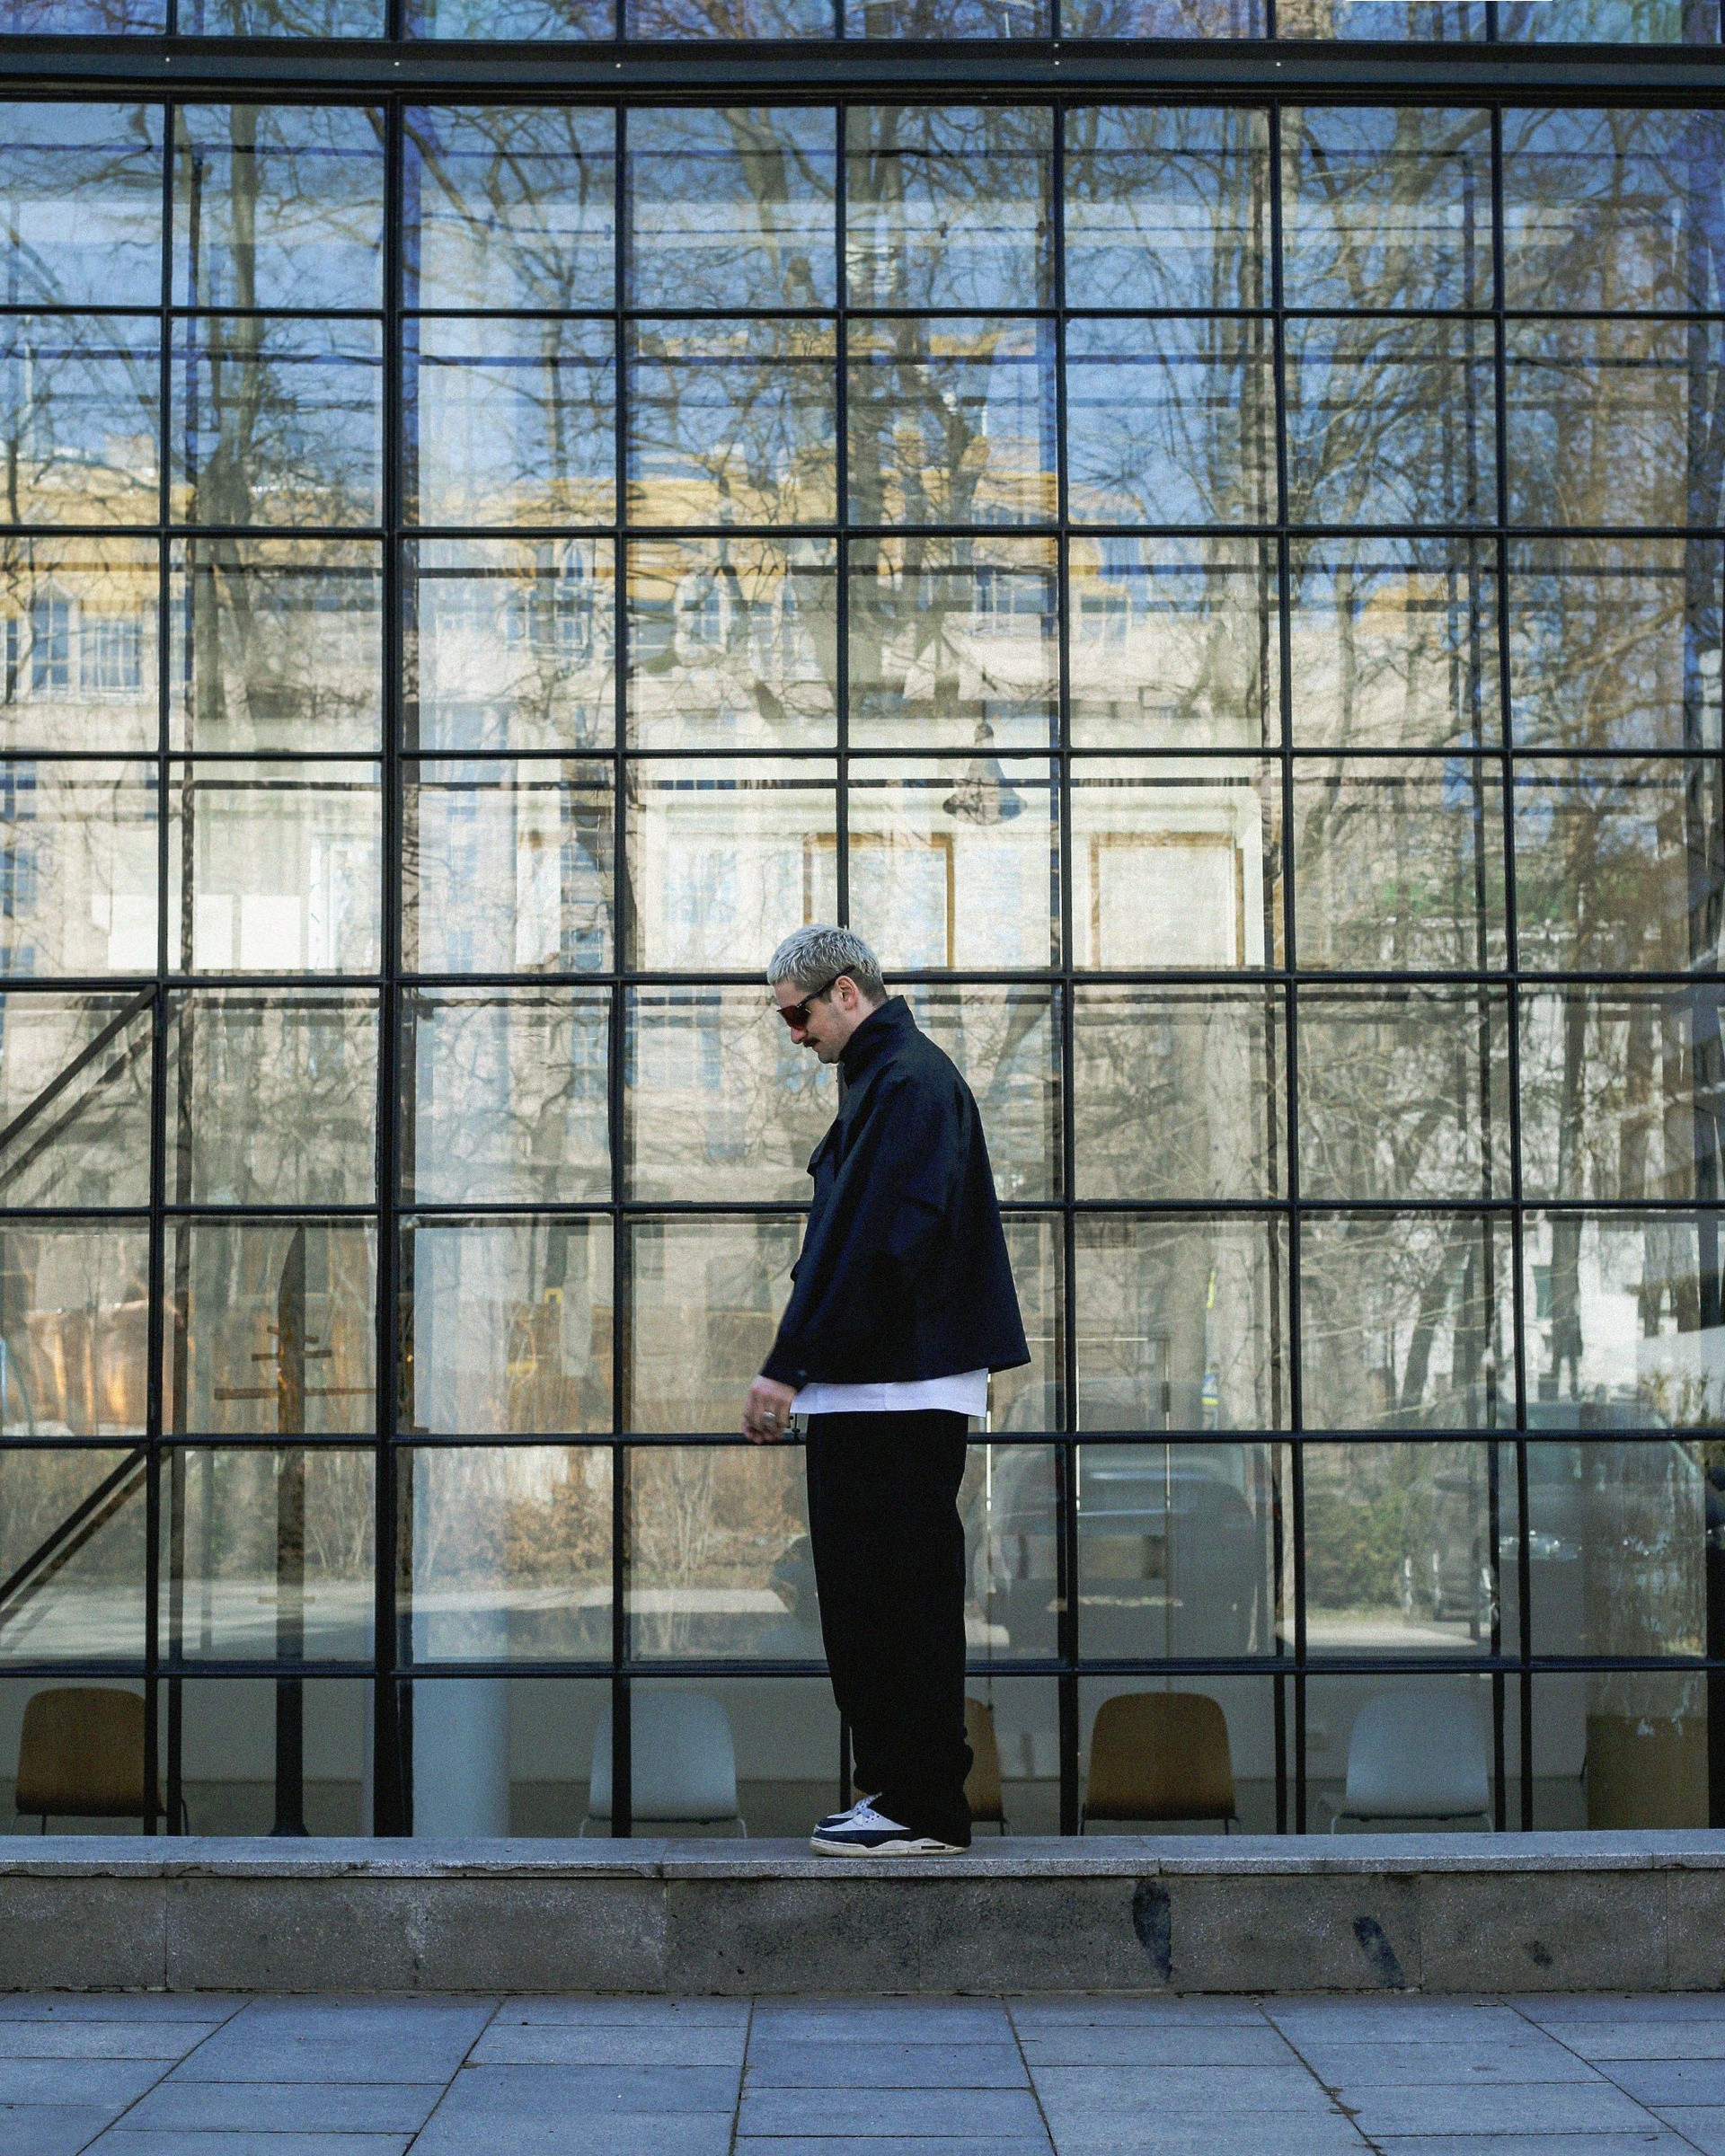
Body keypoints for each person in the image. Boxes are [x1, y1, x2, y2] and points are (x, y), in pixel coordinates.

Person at [741, 925, 1029, 1855]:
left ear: (845, 992)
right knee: (879, 1600)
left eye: (798, 1015)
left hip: (893, 1387)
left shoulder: (906, 1082)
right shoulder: (894, 1080)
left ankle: (919, 1805)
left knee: (889, 1602)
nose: (795, 1036)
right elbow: (863, 1240)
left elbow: (872, 1244)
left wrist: (789, 1363)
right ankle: (907, 1798)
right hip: (885, 1384)